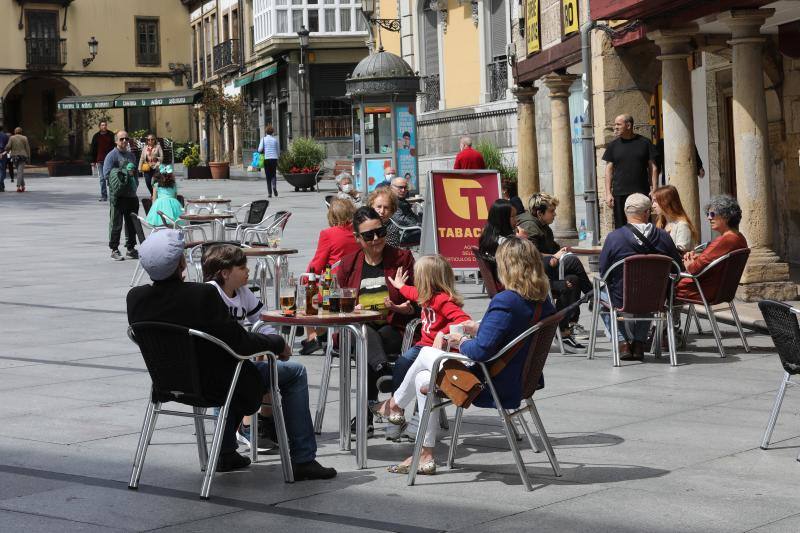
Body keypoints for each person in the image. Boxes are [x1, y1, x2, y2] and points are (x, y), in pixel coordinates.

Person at [127, 230, 336, 479]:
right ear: (181, 263)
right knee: (294, 372)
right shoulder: (200, 295)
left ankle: (225, 453)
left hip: (168, 385)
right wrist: (277, 342)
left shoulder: (135, 298)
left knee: (230, 371)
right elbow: (240, 342)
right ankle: (302, 459)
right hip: (217, 386)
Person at [373, 237, 555, 473]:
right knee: (421, 380)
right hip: (518, 378)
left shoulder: (506, 301)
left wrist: (461, 339)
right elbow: (513, 330)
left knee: (427, 351)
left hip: (489, 382)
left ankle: (394, 404)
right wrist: (480, 327)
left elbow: (480, 351)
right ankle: (425, 455)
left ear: (509, 267)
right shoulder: (541, 300)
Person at [337, 206, 418, 436]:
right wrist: (353, 308)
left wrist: (401, 306)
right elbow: (339, 303)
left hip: (394, 328)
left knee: (370, 340)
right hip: (359, 331)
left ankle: (365, 415)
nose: (376, 239)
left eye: (380, 232)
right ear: (357, 238)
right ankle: (383, 371)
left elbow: (417, 299)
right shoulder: (348, 264)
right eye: (368, 235)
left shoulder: (401, 258)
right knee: (364, 333)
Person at [201, 244, 278, 447]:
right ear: (225, 273)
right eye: (242, 267)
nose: (248, 271)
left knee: (268, 365)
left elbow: (261, 321)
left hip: (239, 359)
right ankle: (236, 435)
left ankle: (256, 423)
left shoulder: (243, 292)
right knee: (292, 374)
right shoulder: (211, 293)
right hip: (216, 365)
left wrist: (272, 343)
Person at [599, 193, 682, 361]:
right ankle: (638, 343)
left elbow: (603, 272)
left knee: (599, 295)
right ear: (646, 213)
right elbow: (678, 268)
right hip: (654, 299)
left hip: (621, 298)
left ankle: (622, 343)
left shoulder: (614, 238)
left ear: (625, 213)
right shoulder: (664, 237)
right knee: (648, 295)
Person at [383, 256, 471, 393]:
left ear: (426, 280)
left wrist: (443, 332)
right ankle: (396, 391)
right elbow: (410, 292)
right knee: (402, 363)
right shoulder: (424, 294)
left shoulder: (442, 300)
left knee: (411, 371)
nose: (415, 279)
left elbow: (463, 319)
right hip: (424, 346)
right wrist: (400, 286)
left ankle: (399, 390)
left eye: (417, 275)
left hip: (439, 350)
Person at [517, 193, 591, 352]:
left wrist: (562, 251)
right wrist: (555, 256)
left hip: (546, 272)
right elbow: (531, 254)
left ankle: (562, 332)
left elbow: (551, 247)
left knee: (572, 280)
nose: (555, 214)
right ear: (539, 212)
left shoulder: (541, 225)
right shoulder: (530, 226)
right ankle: (594, 294)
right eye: (551, 211)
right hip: (534, 275)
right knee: (572, 262)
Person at [300, 198, 361, 355]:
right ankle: (321, 337)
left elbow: (317, 265)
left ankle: (314, 337)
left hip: (333, 290)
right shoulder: (359, 233)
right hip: (355, 288)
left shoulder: (328, 234)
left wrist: (305, 279)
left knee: (307, 290)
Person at [676, 195, 747, 302]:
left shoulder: (725, 240)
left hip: (703, 290)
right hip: (722, 291)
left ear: (726, 216)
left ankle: (672, 319)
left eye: (712, 214)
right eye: (708, 214)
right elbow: (712, 260)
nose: (709, 217)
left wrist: (688, 263)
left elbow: (693, 269)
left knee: (665, 286)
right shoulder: (739, 237)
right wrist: (697, 257)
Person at [602, 114, 658, 229]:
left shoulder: (645, 142)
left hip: (641, 192)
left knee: (643, 224)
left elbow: (653, 167)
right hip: (619, 193)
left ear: (628, 125)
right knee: (621, 227)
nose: (615, 127)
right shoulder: (613, 146)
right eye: (615, 124)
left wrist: (654, 190)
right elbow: (609, 170)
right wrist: (608, 193)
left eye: (618, 124)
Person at [103, 130, 139, 261]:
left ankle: (131, 248)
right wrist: (124, 172)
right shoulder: (111, 156)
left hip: (131, 195)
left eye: (126, 138)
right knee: (116, 223)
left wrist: (135, 184)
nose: (124, 141)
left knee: (131, 224)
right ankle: (114, 249)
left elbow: (135, 173)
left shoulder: (131, 156)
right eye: (121, 139)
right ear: (116, 141)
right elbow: (106, 173)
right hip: (118, 196)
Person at [651, 185, 697, 253]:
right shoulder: (662, 223)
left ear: (666, 202)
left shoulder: (682, 225)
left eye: (656, 201)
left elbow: (681, 253)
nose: (653, 206)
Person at [390, 176, 422, 246]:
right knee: (432, 233)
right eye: (400, 187)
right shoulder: (391, 201)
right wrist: (418, 224)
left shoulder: (401, 200)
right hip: (404, 233)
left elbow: (411, 215)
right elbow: (400, 219)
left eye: (405, 188)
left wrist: (421, 220)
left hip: (411, 230)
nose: (403, 190)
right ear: (392, 188)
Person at [90, 121, 115, 201]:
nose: (104, 126)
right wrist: (93, 161)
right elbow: (93, 149)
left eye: (105, 125)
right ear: (99, 126)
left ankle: (112, 195)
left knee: (111, 177)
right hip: (100, 159)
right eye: (102, 125)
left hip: (110, 159)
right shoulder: (96, 136)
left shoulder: (111, 135)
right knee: (102, 178)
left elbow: (114, 146)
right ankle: (104, 195)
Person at [258, 125, 280, 198]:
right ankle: (274, 187)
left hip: (266, 159)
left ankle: (269, 193)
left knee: (268, 176)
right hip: (274, 158)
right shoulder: (275, 140)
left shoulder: (263, 139)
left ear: (266, 132)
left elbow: (259, 150)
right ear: (272, 132)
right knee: (273, 174)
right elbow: (278, 151)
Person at [6, 127, 30, 193]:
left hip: (14, 156)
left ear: (15, 131)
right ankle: (22, 186)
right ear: (21, 131)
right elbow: (27, 148)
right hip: (23, 156)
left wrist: (6, 150)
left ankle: (19, 186)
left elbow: (8, 146)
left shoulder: (12, 138)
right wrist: (28, 157)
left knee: (19, 172)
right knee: (20, 172)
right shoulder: (24, 138)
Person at [0, 126, 9, 192]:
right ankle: (1, 184)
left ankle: (1, 184)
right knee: (2, 170)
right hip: (3, 154)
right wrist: (3, 153)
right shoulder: (5, 136)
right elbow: (8, 147)